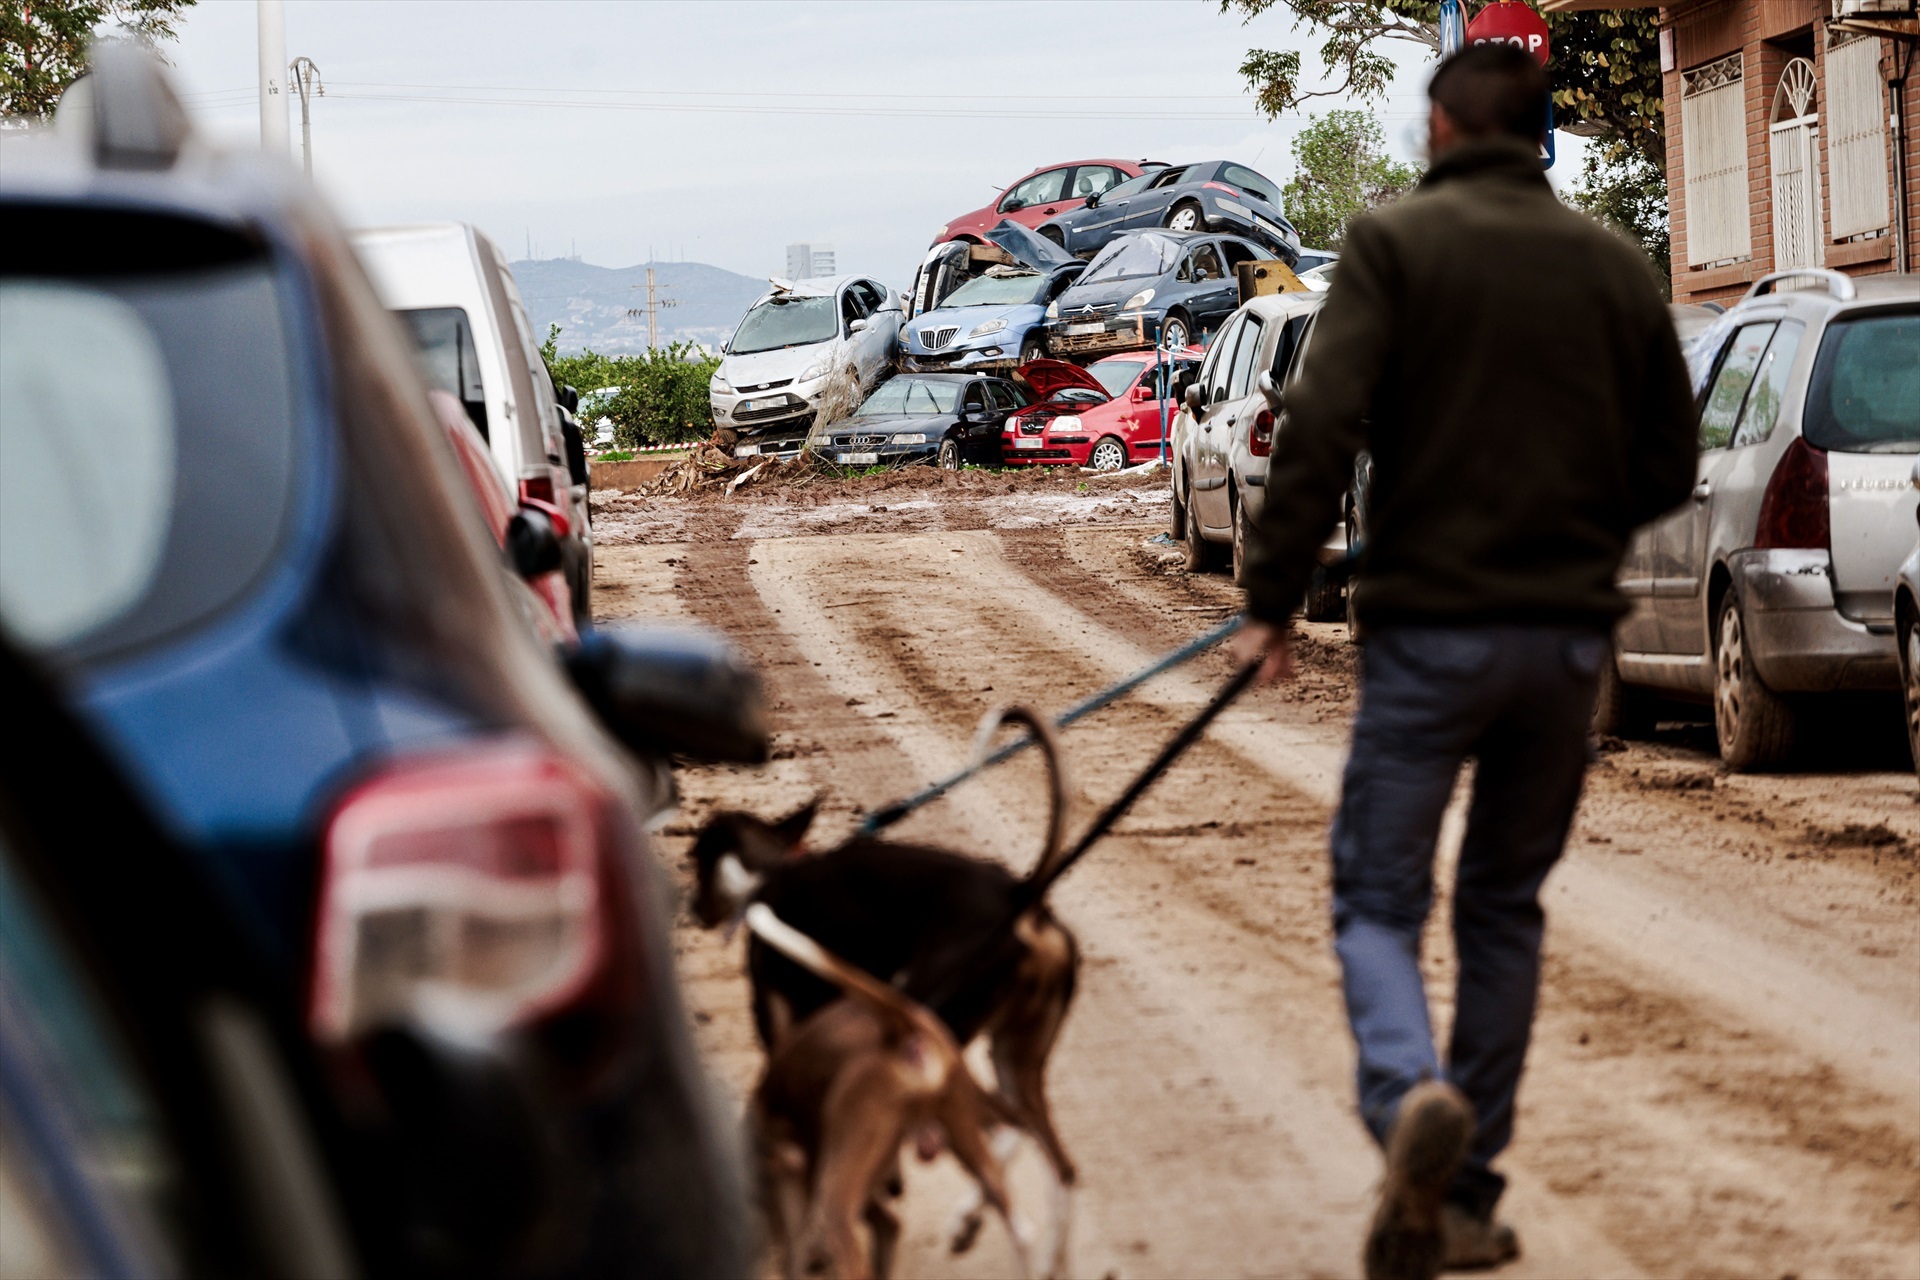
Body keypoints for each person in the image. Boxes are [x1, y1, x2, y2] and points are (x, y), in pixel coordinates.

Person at [1230, 43, 1698, 1280]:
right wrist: (1570, 529)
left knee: (1379, 898)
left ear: (1440, 130)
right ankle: (1466, 1188)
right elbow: (1670, 462)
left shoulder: (1394, 246)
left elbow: (1318, 423)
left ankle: (1404, 1100)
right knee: (1502, 905)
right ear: (1541, 134)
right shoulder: (1612, 265)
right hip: (1563, 641)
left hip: (1429, 632)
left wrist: (1271, 599)